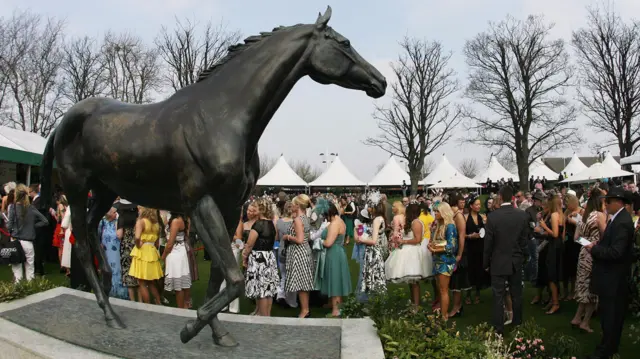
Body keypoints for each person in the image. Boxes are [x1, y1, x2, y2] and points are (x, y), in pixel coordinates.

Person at [585, 187, 635, 359]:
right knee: (609, 316)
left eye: (609, 201)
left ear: (619, 202)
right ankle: (608, 346)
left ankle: (607, 350)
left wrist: (595, 249)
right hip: (611, 277)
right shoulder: (618, 219)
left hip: (614, 278)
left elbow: (616, 252)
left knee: (612, 316)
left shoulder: (622, 221)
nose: (605, 204)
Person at [483, 186, 529, 335]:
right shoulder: (521, 215)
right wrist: (524, 257)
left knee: (498, 295)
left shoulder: (493, 217)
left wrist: (485, 263)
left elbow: (488, 244)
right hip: (515, 260)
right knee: (517, 294)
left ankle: (498, 328)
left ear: (501, 197)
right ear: (513, 198)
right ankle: (518, 324)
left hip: (498, 261)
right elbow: (524, 241)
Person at [242, 198, 279, 316]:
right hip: (269, 257)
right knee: (267, 289)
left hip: (259, 258)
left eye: (256, 207)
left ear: (261, 209)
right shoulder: (271, 224)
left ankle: (264, 317)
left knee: (261, 289)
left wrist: (244, 256)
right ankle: (266, 314)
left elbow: (249, 244)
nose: (254, 209)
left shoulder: (258, 224)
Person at [7, 184, 49, 282]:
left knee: (17, 269)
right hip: (28, 242)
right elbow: (45, 221)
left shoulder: (13, 207)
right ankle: (30, 290)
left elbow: (9, 226)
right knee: (30, 268)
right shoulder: (31, 208)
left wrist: (12, 229)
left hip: (16, 241)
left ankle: (18, 290)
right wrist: (33, 226)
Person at [428, 202, 458, 321]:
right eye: (434, 211)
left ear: (444, 212)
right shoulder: (439, 225)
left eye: (437, 211)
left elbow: (452, 246)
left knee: (444, 289)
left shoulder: (450, 226)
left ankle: (444, 316)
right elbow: (435, 241)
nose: (435, 213)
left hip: (445, 261)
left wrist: (436, 248)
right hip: (437, 259)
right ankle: (441, 312)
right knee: (439, 288)